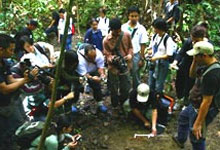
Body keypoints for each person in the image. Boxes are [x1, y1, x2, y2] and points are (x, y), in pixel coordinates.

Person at [173, 41, 220, 150]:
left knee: (196, 136)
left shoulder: (212, 75)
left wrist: (198, 123)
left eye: (196, 56)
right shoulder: (204, 65)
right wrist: (194, 61)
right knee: (183, 118)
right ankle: (180, 139)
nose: (194, 57)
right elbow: (192, 75)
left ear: (204, 56)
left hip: (202, 108)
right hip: (194, 103)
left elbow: (207, 102)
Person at [0, 34, 37, 149]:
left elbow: (10, 80)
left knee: (19, 124)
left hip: (11, 101)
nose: (13, 52)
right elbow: (4, 89)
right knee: (7, 132)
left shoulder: (4, 62)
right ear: (1, 49)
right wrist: (25, 80)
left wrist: (29, 78)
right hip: (2, 106)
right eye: (10, 50)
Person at [170, 24, 208, 107]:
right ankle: (179, 99)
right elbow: (181, 53)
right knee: (179, 83)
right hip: (185, 65)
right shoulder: (189, 42)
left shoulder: (207, 46)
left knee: (190, 85)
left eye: (196, 41)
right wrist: (175, 62)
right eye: (193, 40)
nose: (194, 42)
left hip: (197, 68)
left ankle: (187, 103)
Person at [103, 18, 133, 108]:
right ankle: (115, 105)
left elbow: (131, 47)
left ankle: (124, 104)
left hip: (125, 66)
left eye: (119, 30)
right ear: (111, 30)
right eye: (116, 31)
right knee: (113, 88)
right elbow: (106, 54)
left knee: (126, 87)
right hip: (113, 68)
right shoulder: (106, 40)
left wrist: (130, 55)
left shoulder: (126, 35)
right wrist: (112, 58)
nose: (118, 33)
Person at [147, 18, 176, 103]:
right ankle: (151, 99)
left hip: (162, 64)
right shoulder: (155, 36)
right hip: (153, 63)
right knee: (151, 82)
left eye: (155, 28)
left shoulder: (167, 39)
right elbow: (151, 47)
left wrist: (156, 58)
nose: (154, 29)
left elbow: (169, 54)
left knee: (159, 84)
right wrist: (149, 52)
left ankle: (157, 101)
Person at [121, 6, 148, 89]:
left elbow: (143, 44)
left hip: (136, 55)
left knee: (136, 74)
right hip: (124, 55)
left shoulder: (141, 29)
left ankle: (137, 92)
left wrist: (141, 58)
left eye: (136, 16)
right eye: (132, 16)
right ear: (128, 16)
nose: (134, 18)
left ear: (138, 16)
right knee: (125, 74)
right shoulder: (123, 27)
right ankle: (126, 92)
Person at [77, 44, 107, 111]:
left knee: (97, 86)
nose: (93, 59)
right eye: (91, 58)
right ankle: (74, 104)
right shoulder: (80, 59)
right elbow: (84, 74)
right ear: (85, 55)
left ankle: (100, 103)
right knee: (78, 87)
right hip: (82, 74)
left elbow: (100, 67)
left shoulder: (99, 54)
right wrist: (92, 78)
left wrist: (102, 74)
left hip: (93, 70)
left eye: (94, 57)